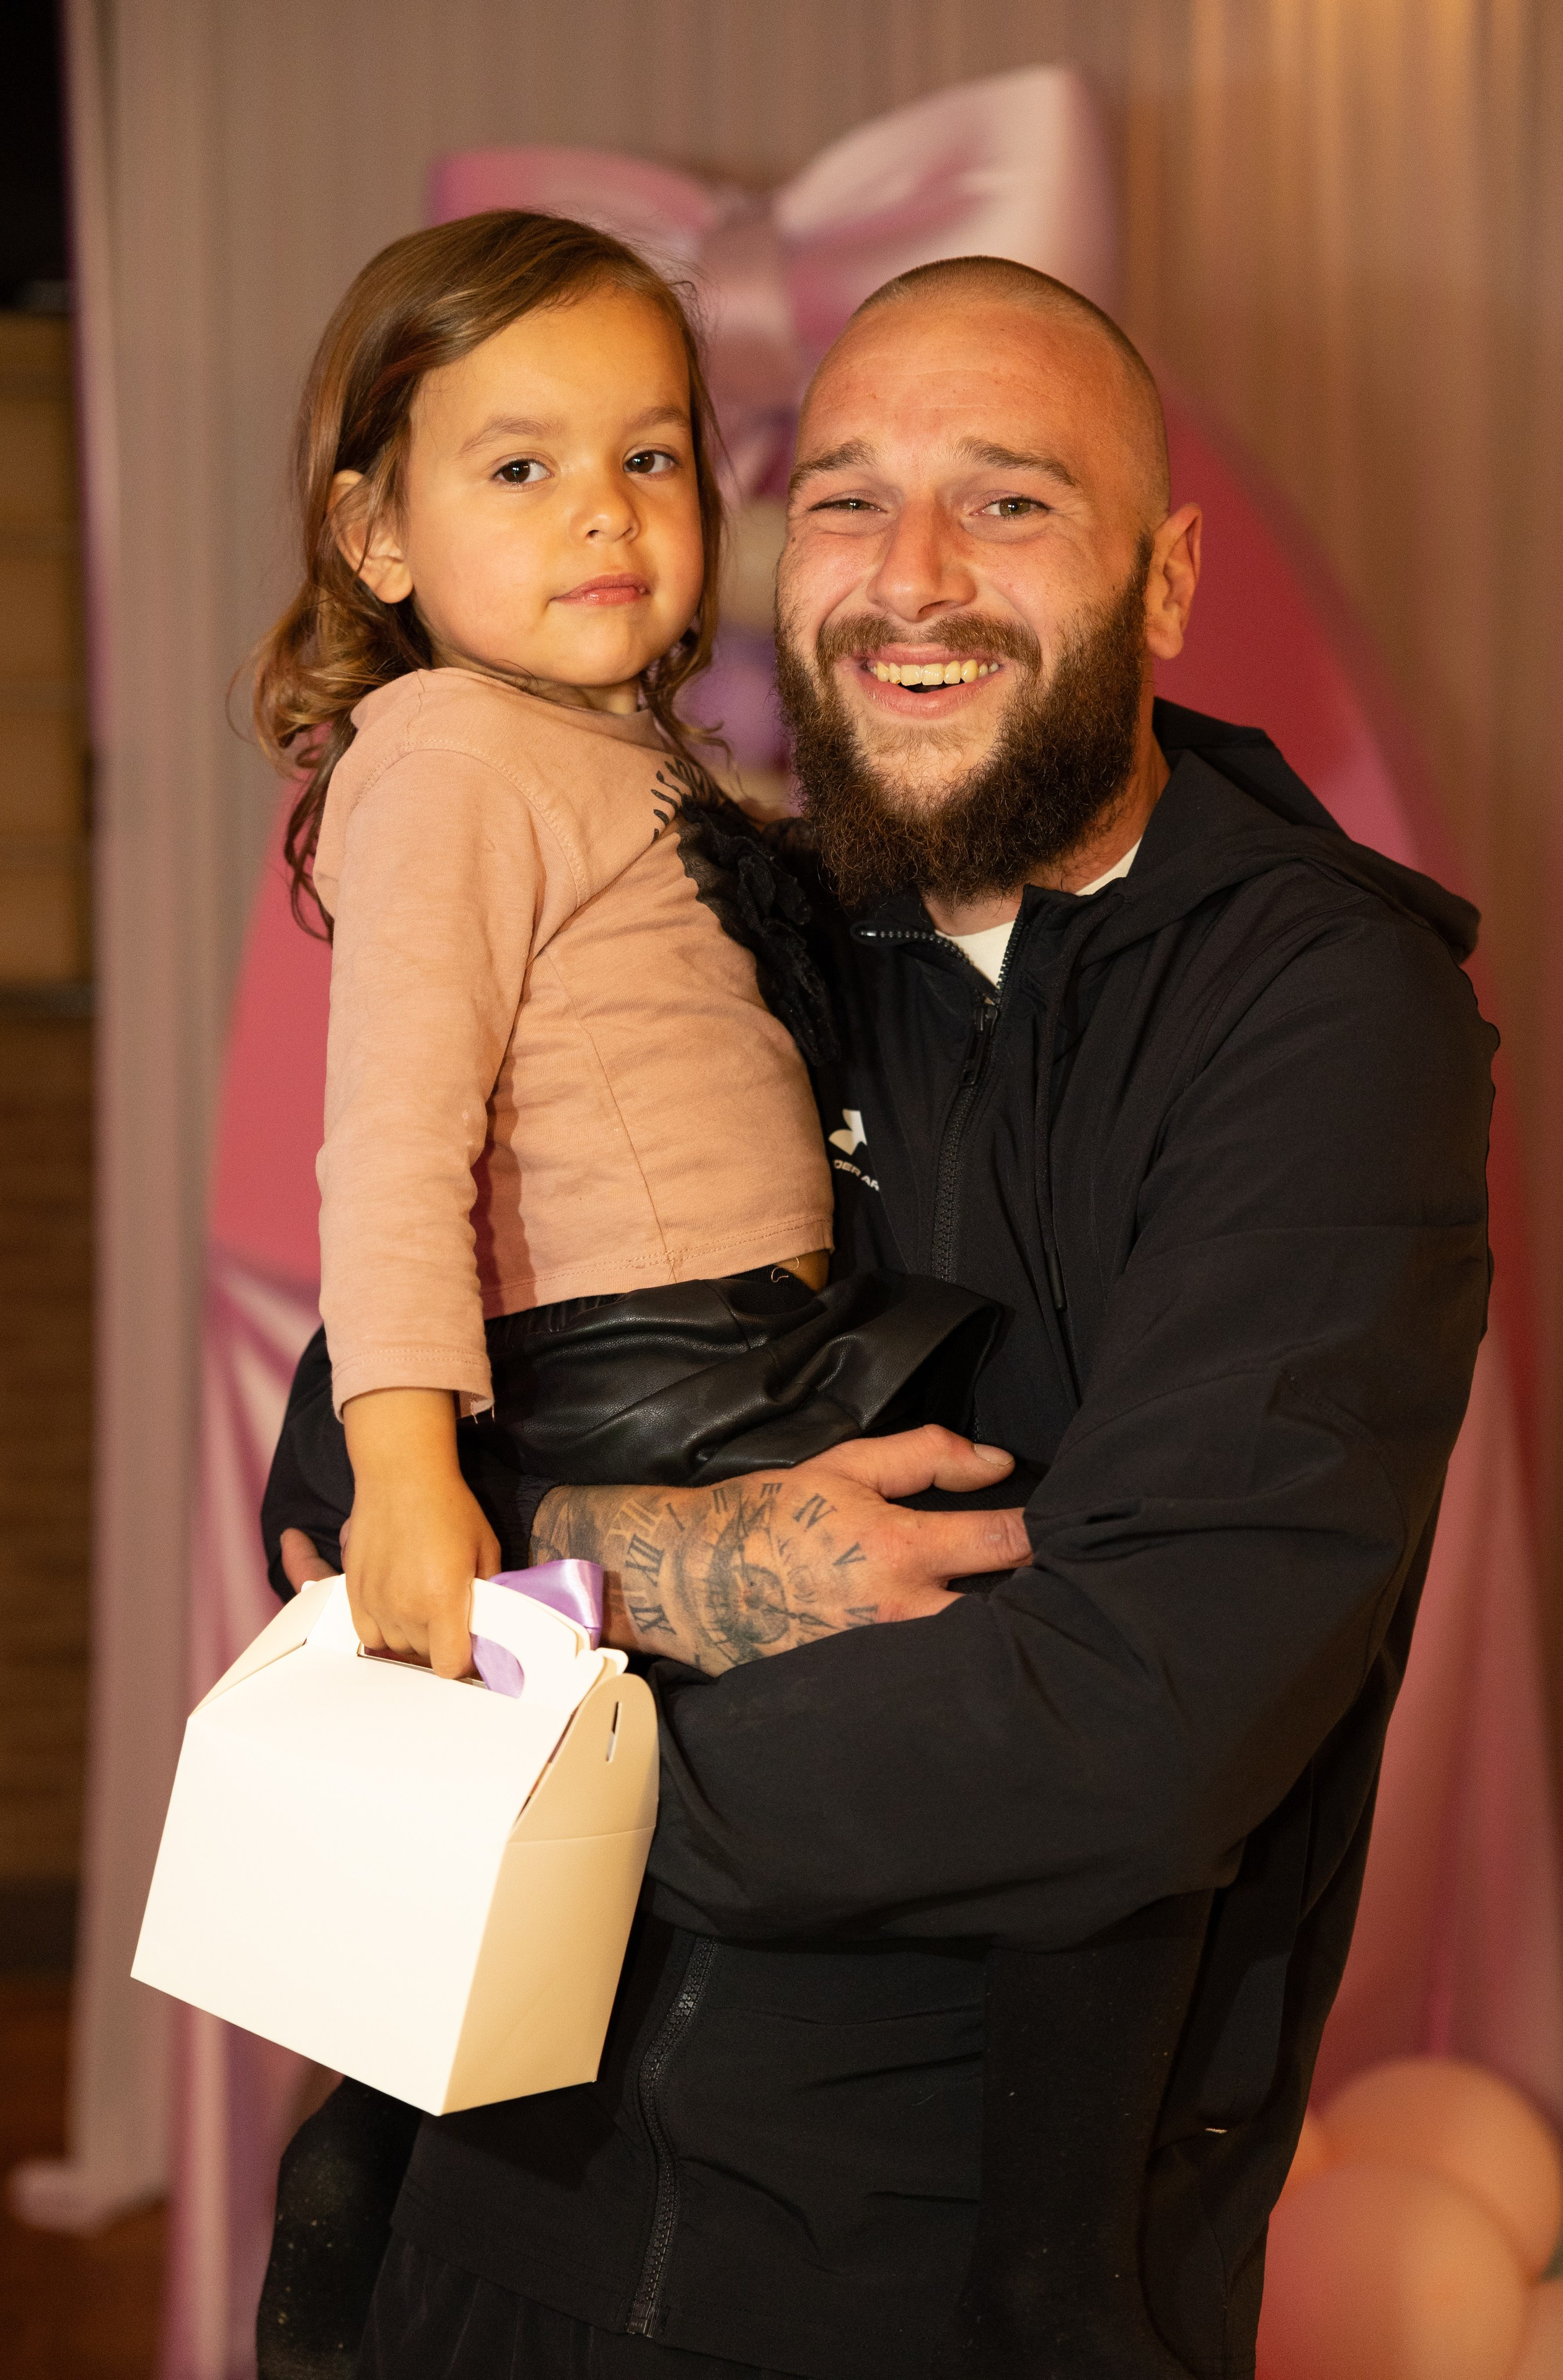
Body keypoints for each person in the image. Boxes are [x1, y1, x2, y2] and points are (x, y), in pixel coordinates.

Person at [282, 257, 1495, 2379]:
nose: (908, 579)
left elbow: (1134, 1722)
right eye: (845, 500)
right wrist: (677, 1565)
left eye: (1008, 502)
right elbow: (338, 1457)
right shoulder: (730, 911)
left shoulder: (1318, 1014)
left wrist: (489, 1723)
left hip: (956, 2283)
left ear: (1168, 575)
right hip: (504, 2214)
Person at [252, 212, 1026, 2380]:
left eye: (656, 456)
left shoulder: (640, 760)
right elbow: (393, 1141)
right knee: (553, 1928)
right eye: (517, 467)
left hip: (737, 1358)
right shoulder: (446, 757)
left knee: (556, 1927)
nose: (603, 505)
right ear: (373, 532)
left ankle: (388, 2173)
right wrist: (407, 1460)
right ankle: (373, 2209)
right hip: (627, 1385)